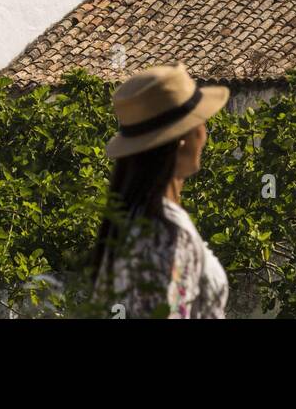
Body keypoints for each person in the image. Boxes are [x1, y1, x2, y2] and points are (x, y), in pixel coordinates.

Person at [91, 63, 229, 319]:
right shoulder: (165, 230)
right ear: (185, 138)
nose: (206, 132)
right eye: (201, 121)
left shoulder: (132, 220)